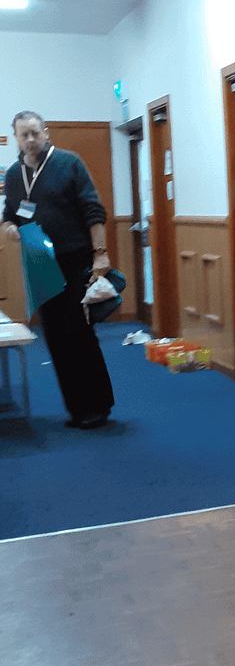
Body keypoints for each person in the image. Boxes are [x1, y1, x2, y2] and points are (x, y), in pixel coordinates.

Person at [1, 111, 114, 429]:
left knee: (79, 332)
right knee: (54, 337)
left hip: (74, 258)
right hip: (39, 262)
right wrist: (9, 228)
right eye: (24, 135)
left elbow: (93, 210)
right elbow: (9, 215)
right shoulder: (14, 174)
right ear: (16, 138)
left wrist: (100, 254)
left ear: (46, 133)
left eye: (35, 133)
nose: (31, 139)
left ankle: (98, 406)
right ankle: (77, 409)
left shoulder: (69, 163)